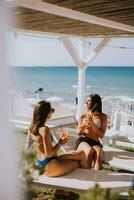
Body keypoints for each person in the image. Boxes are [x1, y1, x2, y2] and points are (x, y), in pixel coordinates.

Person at [25, 101, 88, 177]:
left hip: (41, 163)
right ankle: (89, 180)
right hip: (50, 165)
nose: (52, 112)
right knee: (78, 162)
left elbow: (27, 147)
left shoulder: (31, 128)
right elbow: (49, 154)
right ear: (47, 113)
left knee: (80, 153)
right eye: (51, 110)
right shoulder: (44, 130)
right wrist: (60, 142)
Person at [75, 94, 107, 170]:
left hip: (95, 142)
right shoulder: (83, 116)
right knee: (89, 151)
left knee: (98, 154)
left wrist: (91, 122)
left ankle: (96, 180)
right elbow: (78, 132)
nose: (86, 103)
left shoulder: (103, 117)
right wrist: (81, 130)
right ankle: (85, 177)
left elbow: (101, 135)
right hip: (83, 140)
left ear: (95, 103)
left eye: (88, 101)